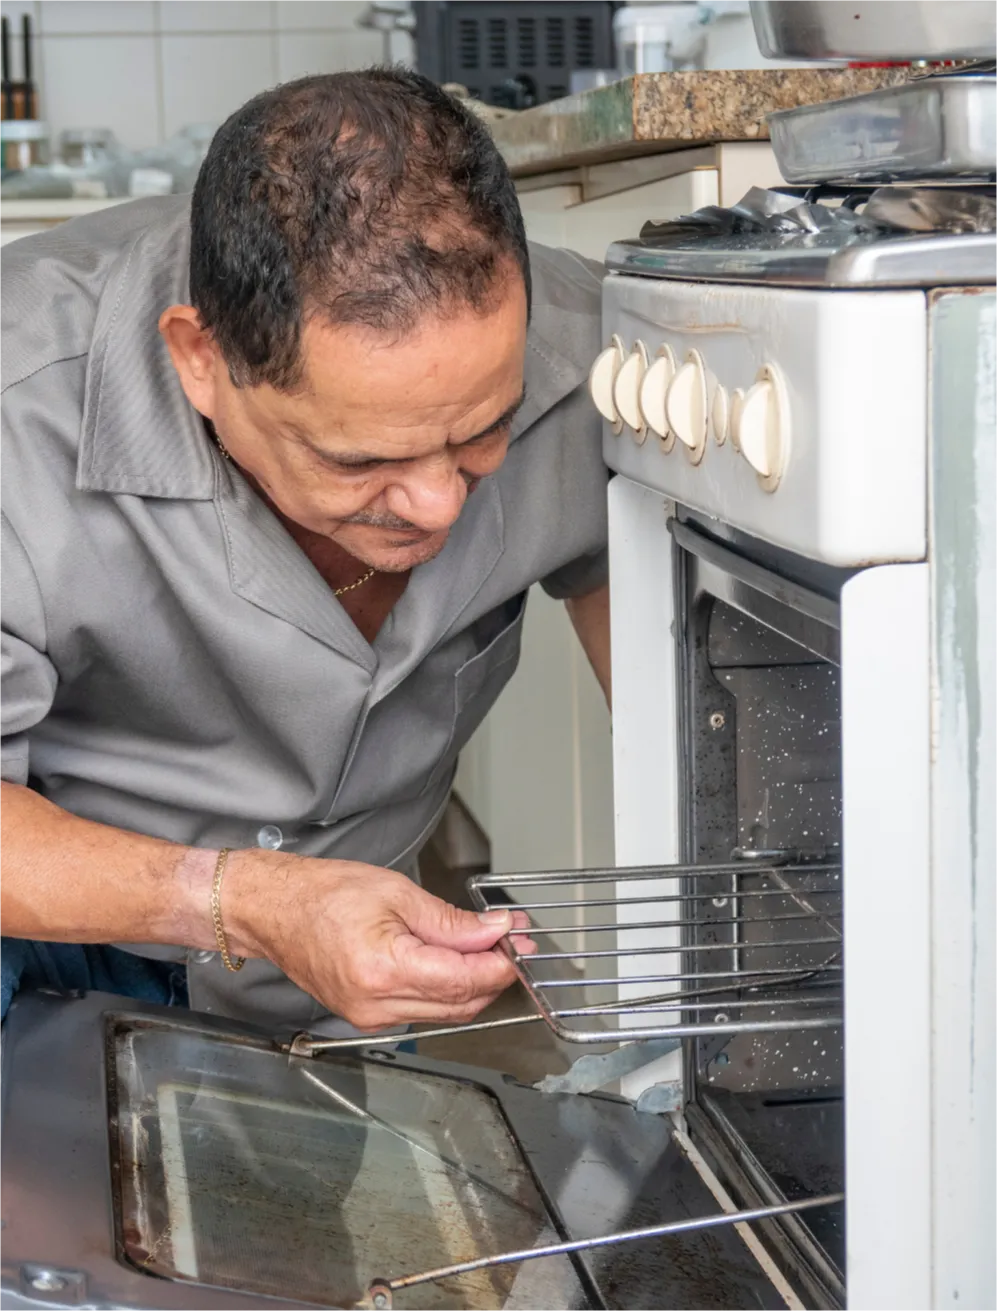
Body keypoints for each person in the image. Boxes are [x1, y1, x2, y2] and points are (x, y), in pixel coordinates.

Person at [0, 69, 610, 1037]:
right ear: (200, 360)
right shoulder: (16, 395)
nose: (435, 503)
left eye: (482, 434)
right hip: (60, 931)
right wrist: (246, 901)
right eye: (358, 459)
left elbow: (678, 656)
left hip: (339, 971)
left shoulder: (606, 361)